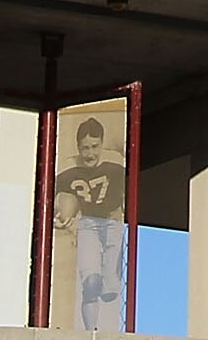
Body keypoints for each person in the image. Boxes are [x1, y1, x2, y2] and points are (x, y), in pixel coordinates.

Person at [49, 117, 127, 330]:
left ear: (101, 143)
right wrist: (61, 213)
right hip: (88, 223)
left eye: (94, 146)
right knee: (91, 284)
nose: (90, 153)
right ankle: (90, 332)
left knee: (111, 290)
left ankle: (109, 277)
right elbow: (54, 195)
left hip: (113, 221)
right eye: (85, 148)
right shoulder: (68, 168)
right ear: (78, 147)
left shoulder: (116, 162)